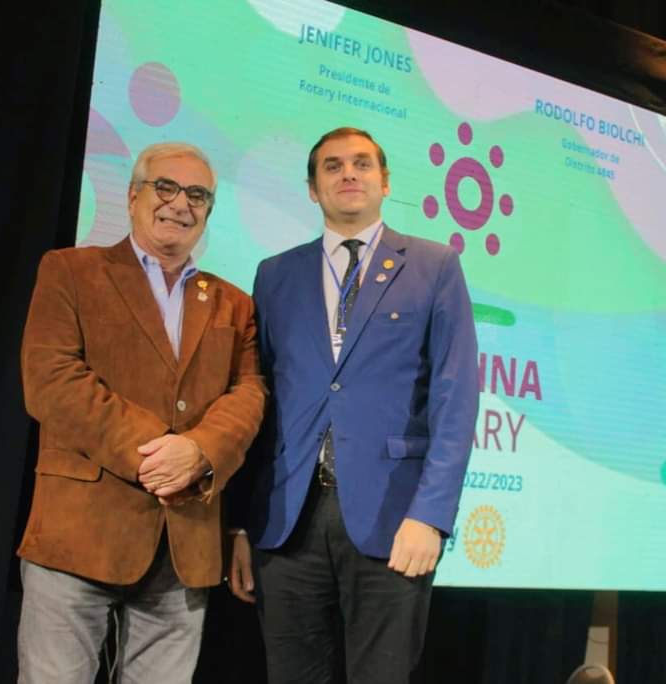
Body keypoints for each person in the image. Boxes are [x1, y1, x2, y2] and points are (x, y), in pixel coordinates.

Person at [229, 127, 479, 683]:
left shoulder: (435, 265)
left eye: (362, 164)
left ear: (385, 182)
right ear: (311, 188)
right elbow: (257, 399)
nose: (348, 174)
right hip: (286, 519)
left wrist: (431, 515)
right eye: (333, 165)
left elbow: (456, 398)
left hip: (394, 518)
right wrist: (241, 525)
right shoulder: (275, 274)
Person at [17, 142, 266, 683]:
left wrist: (198, 452)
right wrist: (160, 455)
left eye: (197, 195)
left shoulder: (234, 303)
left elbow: (249, 394)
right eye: (166, 187)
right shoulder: (70, 270)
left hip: (184, 545)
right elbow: (51, 381)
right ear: (133, 197)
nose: (181, 203)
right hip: (77, 533)